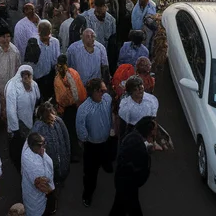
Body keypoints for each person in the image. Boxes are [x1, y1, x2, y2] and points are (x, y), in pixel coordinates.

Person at [76, 79, 114, 207]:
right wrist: (85, 139)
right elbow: (80, 127)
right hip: (92, 145)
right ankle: (87, 194)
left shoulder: (107, 99)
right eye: (101, 91)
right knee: (90, 173)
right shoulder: (84, 109)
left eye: (104, 90)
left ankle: (105, 164)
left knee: (106, 156)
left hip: (106, 141)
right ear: (93, 92)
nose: (104, 92)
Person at [108, 117, 155, 216]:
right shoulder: (139, 148)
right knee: (132, 208)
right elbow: (141, 173)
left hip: (124, 183)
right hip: (128, 185)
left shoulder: (132, 136)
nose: (154, 134)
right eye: (153, 132)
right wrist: (148, 152)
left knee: (119, 207)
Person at [5, 64, 41, 170]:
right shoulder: (13, 86)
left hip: (30, 121)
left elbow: (38, 97)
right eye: (23, 75)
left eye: (28, 74)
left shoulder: (33, 84)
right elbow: (11, 109)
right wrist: (15, 128)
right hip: (18, 122)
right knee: (17, 146)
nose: (26, 77)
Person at [32, 101, 72, 186]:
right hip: (49, 164)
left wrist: (67, 155)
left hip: (62, 160)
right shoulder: (39, 128)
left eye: (54, 114)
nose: (54, 117)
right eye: (51, 116)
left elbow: (66, 138)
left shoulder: (59, 122)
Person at [0, 29, 21, 116]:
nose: (6, 39)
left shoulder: (14, 51)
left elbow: (17, 70)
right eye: (3, 37)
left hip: (10, 91)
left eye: (8, 36)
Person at [21, 132, 56, 216]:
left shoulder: (31, 149)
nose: (43, 148)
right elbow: (46, 180)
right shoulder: (32, 162)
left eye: (43, 144)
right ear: (33, 146)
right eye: (40, 145)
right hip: (37, 198)